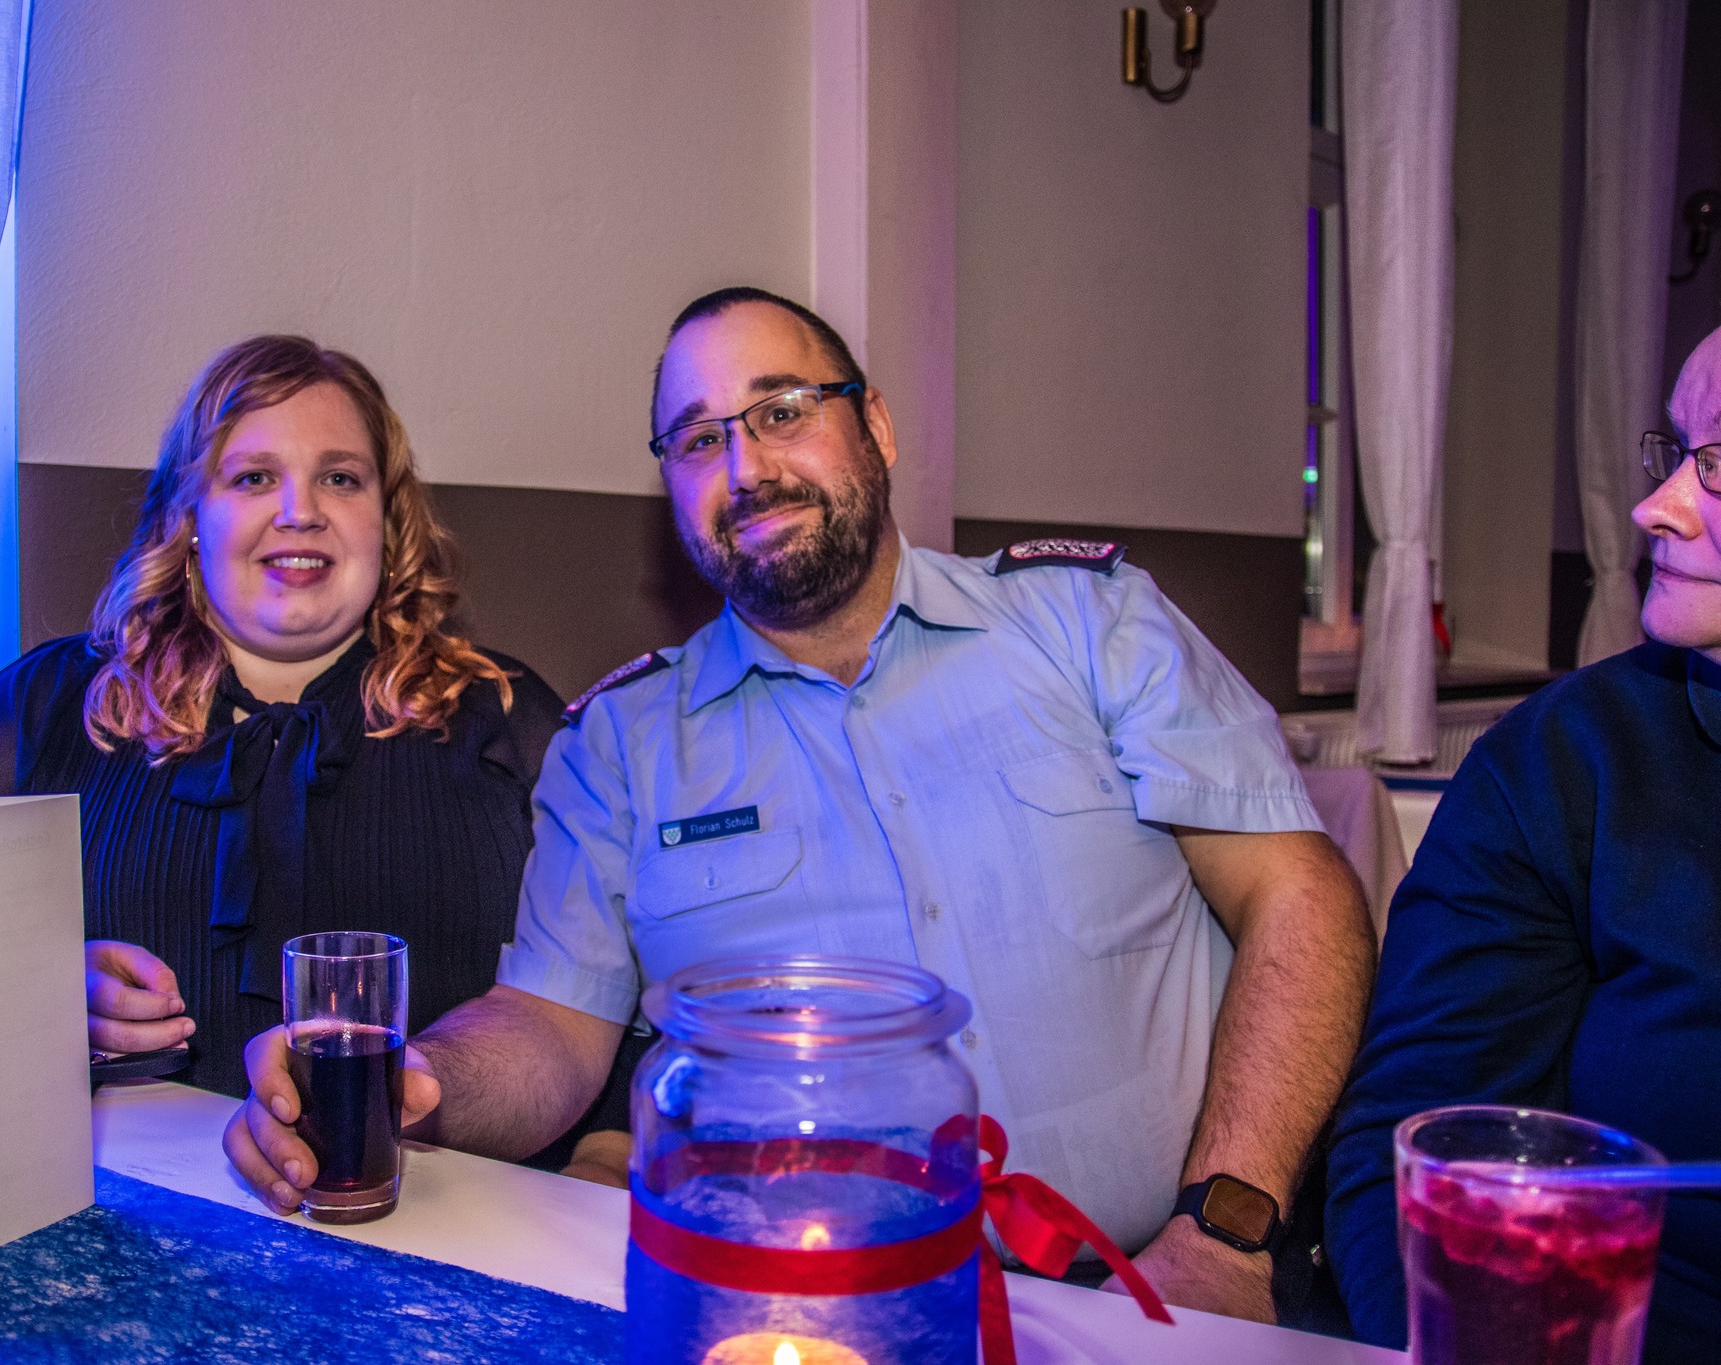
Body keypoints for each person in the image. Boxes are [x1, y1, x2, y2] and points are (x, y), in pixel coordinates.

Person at [226, 289, 1375, 1323]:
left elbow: (1296, 894)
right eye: (697, 440)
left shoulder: (1088, 625)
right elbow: (551, 1029)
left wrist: (1225, 1229)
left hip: (1165, 1297)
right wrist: (411, 1082)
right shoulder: (618, 744)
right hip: (805, 1321)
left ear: (873, 426)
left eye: (781, 411)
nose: (746, 467)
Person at [0, 335, 566, 1102]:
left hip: (435, 1177)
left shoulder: (507, 717)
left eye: (340, 478)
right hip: (117, 1177)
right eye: (254, 477)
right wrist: (26, 990)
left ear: (387, 518)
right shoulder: (56, 702)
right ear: (192, 515)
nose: (300, 512)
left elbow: (608, 1007)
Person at [1325, 328, 1721, 1361]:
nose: (1657, 507)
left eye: (1720, 466)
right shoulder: (1568, 760)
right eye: (1679, 450)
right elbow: (1414, 1147)